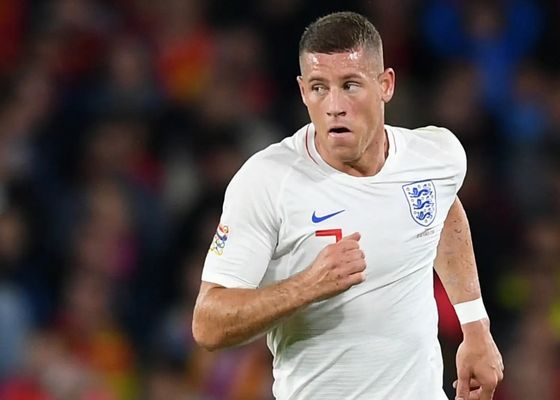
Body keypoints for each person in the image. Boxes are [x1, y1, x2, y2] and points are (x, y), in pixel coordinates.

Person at [192, 11, 503, 400]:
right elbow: (208, 324)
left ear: (386, 84)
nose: (334, 105)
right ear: (302, 91)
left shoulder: (435, 156)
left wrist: (475, 326)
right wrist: (308, 285)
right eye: (319, 88)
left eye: (350, 85)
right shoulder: (268, 181)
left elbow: (443, 212)